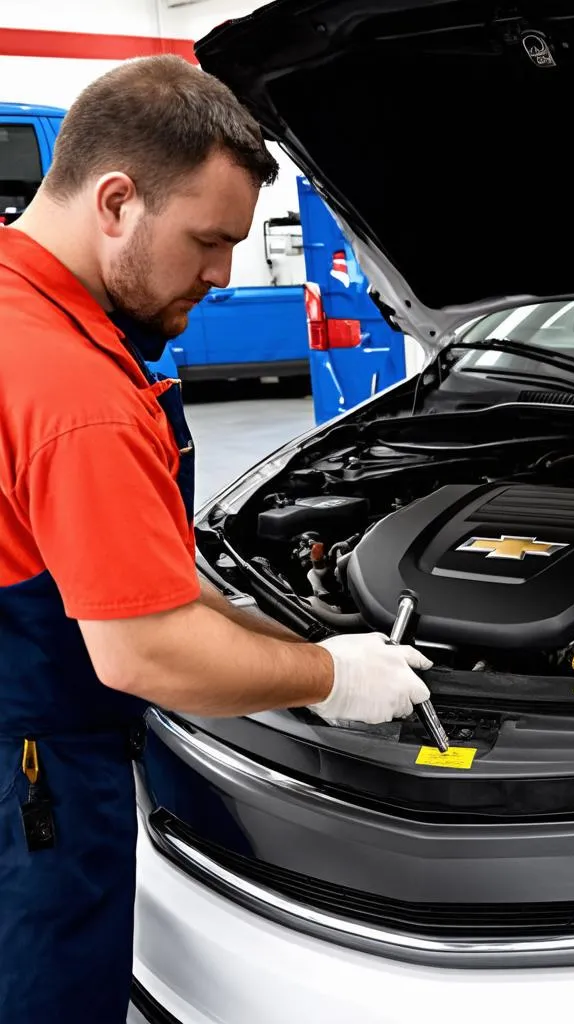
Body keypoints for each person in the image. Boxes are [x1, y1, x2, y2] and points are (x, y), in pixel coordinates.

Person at [0, 55, 432, 1022]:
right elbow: (142, 645)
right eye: (207, 239)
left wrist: (294, 639)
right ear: (115, 201)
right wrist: (330, 682)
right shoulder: (77, 393)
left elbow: (129, 574)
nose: (222, 275)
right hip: (38, 782)